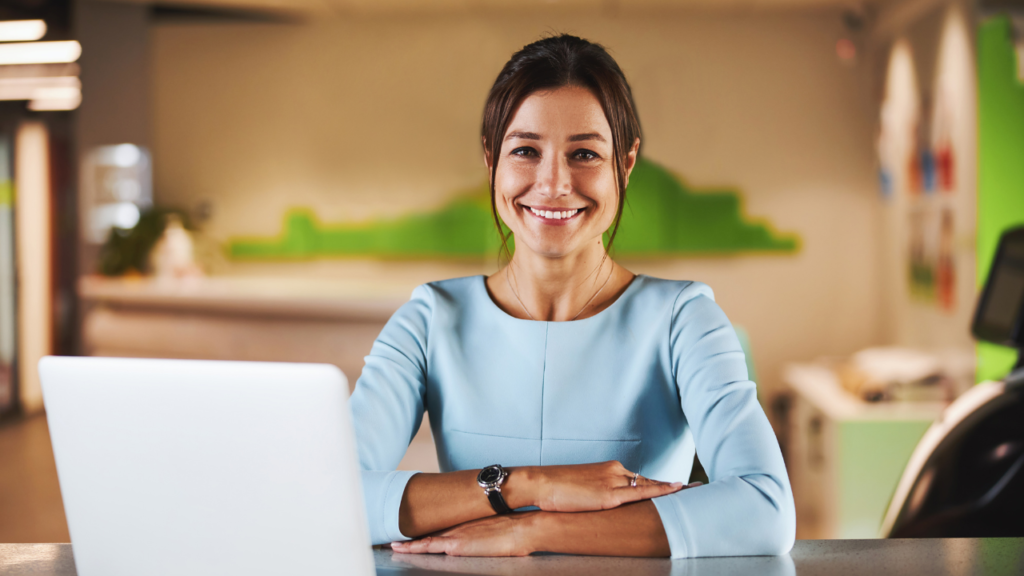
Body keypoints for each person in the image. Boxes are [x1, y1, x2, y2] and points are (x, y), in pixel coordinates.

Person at [350, 34, 795, 558]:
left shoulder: (685, 319)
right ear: (491, 160)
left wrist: (534, 530)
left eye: (584, 153)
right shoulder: (427, 320)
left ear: (625, 165)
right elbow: (328, 495)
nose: (554, 183)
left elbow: (764, 508)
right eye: (525, 151)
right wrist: (528, 486)